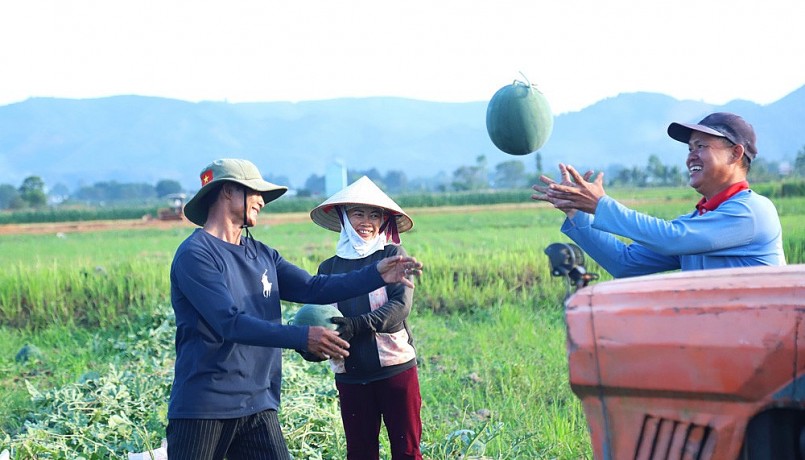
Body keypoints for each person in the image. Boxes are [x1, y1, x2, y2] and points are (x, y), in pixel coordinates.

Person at [167, 159, 423, 460]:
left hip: (258, 402)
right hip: (205, 405)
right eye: (255, 192)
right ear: (227, 191)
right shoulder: (196, 255)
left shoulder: (262, 254)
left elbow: (314, 287)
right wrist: (302, 337)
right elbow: (230, 323)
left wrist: (376, 274)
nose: (262, 201)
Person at [531, 112, 786, 277]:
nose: (691, 156)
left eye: (701, 146)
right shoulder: (698, 221)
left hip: (759, 348)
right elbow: (625, 263)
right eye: (689, 148)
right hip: (713, 346)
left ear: (736, 154)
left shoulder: (752, 211)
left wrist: (601, 205)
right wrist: (577, 212)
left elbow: (672, 238)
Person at [308, 176, 423, 460]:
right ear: (344, 217)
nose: (366, 221)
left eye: (374, 214)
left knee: (407, 452)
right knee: (360, 453)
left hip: (395, 370)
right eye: (358, 213)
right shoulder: (328, 267)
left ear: (384, 221)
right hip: (350, 375)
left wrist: (357, 325)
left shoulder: (392, 255)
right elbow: (321, 316)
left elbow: (399, 308)